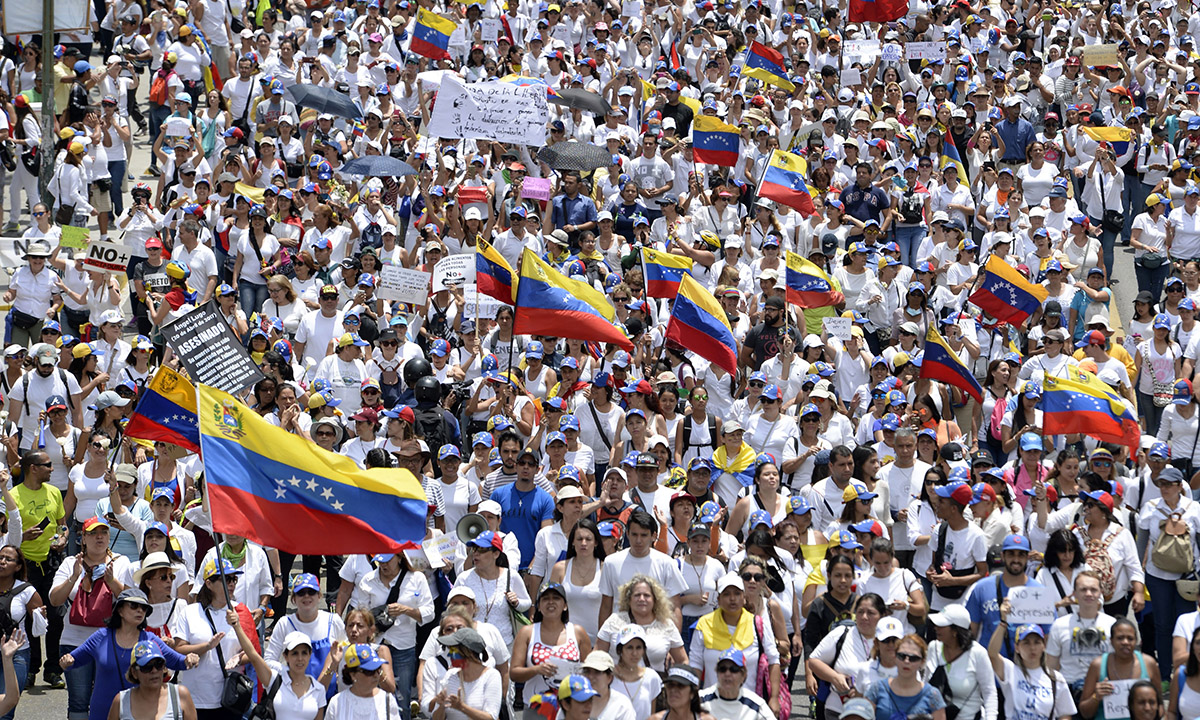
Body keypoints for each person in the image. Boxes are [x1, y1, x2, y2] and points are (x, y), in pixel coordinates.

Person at [60, 589, 196, 720]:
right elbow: (72, 661)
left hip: (134, 713)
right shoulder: (101, 637)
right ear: (119, 610)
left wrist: (190, 658)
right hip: (102, 711)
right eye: (134, 606)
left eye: (144, 608)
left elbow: (178, 662)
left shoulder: (150, 640)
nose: (140, 610)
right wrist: (66, 661)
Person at [1078, 618, 1161, 720]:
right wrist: (1096, 697)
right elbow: (1085, 713)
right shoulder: (1097, 665)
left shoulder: (1149, 664)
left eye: (1130, 638)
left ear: (1136, 641)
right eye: (1120, 638)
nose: (1125, 642)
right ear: (1111, 641)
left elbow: (1160, 706)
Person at [428, 627, 503, 720]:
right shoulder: (450, 676)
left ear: (467, 652)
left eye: (453, 650)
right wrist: (441, 706)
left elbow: (491, 717)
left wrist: (461, 707)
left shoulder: (491, 676)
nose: (449, 654)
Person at [325, 644, 402, 720]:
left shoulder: (387, 700)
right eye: (369, 672)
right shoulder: (337, 702)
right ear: (353, 674)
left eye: (378, 670)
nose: (376, 675)